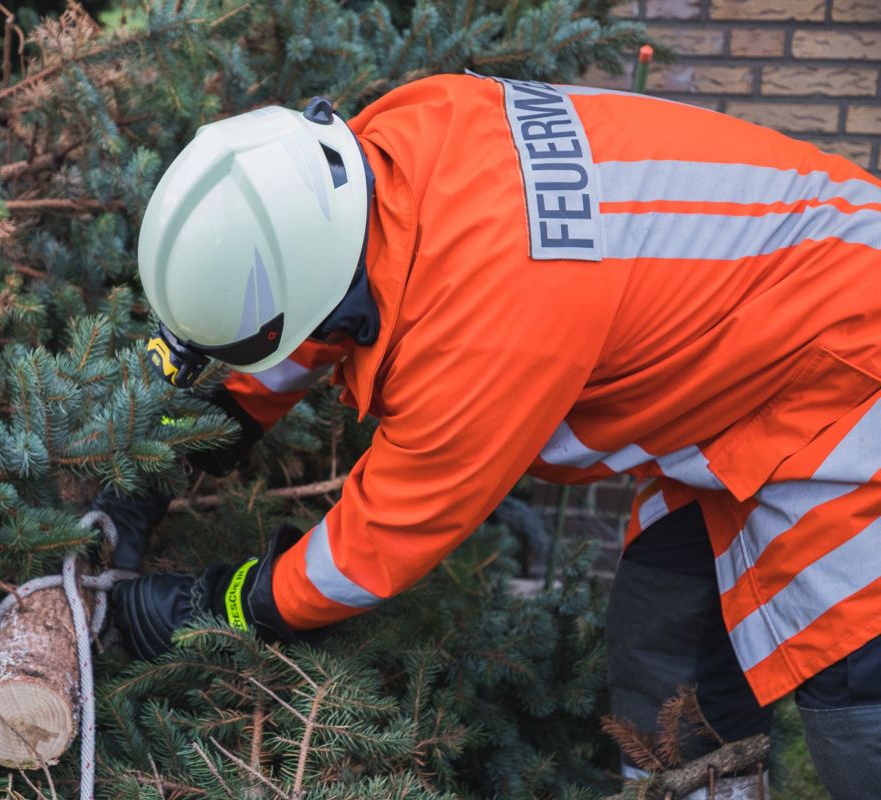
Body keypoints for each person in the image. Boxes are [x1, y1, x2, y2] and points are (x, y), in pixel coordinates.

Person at [107, 73, 881, 798]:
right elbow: (323, 292)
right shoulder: (399, 141)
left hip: (847, 366)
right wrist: (186, 445)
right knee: (666, 643)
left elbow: (371, 550)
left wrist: (227, 604)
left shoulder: (487, 333)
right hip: (756, 362)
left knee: (858, 700)